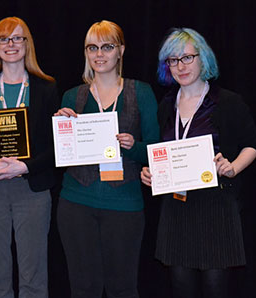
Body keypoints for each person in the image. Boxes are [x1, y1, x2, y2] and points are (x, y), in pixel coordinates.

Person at [141, 28, 256, 298]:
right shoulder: (165, 105)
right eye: (172, 60)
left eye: (187, 58)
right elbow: (158, 150)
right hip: (176, 208)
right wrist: (150, 172)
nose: (180, 66)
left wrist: (233, 167)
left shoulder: (228, 102)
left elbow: (253, 144)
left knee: (215, 289)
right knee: (181, 288)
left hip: (215, 209)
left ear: (203, 58)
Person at [54, 20, 160, 298]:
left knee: (122, 288)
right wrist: (61, 132)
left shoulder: (142, 92)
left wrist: (133, 146)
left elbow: (155, 149)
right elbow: (61, 157)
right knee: (82, 288)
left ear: (121, 51)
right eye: (92, 48)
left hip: (124, 204)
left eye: (107, 47)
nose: (99, 54)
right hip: (76, 203)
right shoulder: (71, 96)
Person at [0, 16, 60, 298]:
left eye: (18, 38)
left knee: (33, 274)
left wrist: (25, 166)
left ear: (27, 44)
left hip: (31, 189)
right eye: (3, 39)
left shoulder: (46, 87)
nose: (11, 44)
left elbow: (56, 146)